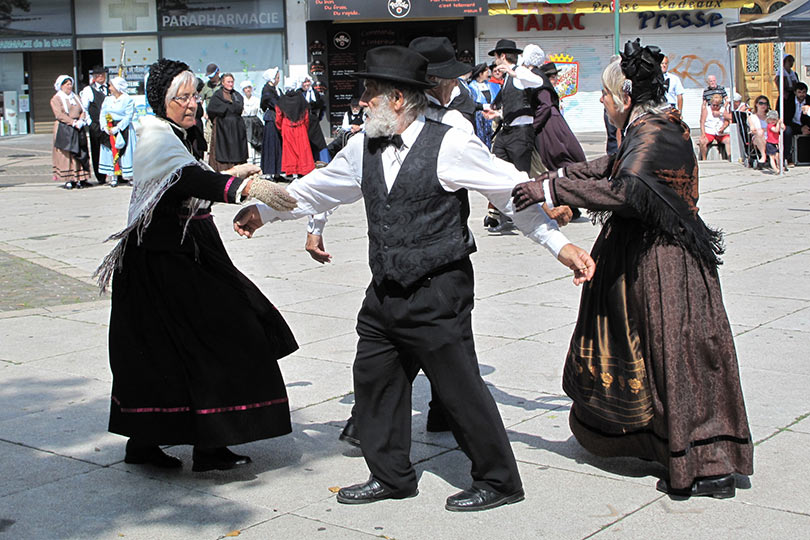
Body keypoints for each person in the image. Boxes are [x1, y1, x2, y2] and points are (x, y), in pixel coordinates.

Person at [233, 45, 595, 512]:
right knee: (373, 376)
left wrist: (559, 246)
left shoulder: (451, 142)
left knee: (458, 388)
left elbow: (509, 193)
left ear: (398, 99)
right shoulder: (362, 145)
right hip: (386, 287)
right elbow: (316, 189)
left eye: (370, 92)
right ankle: (391, 476)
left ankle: (499, 480)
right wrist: (263, 211)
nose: (362, 100)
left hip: (437, 287)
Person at [512, 39, 754, 499]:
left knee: (674, 354)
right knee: (668, 353)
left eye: (605, 94)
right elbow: (613, 165)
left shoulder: (653, 132)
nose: (601, 102)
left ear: (624, 97)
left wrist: (550, 195)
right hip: (657, 256)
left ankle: (702, 461)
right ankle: (682, 450)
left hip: (665, 262)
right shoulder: (655, 126)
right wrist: (554, 180)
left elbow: (625, 192)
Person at [94, 58, 299, 473]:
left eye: (193, 96)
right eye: (180, 97)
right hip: (161, 262)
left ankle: (208, 442)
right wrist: (242, 186)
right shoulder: (154, 135)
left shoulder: (177, 134)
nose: (191, 104)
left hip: (191, 251)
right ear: (159, 101)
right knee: (190, 344)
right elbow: (187, 179)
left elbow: (193, 173)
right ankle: (161, 442)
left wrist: (232, 172)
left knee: (207, 341)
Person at [483, 39, 534, 232]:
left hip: (521, 134)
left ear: (502, 56)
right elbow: (512, 105)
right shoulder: (506, 79)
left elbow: (534, 87)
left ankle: (524, 216)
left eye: (496, 57)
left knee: (520, 176)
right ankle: (499, 214)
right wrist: (497, 113)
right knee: (496, 170)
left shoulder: (520, 75)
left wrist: (518, 73)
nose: (495, 61)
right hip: (506, 131)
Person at [51, 75, 91, 189]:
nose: (69, 86)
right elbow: (59, 114)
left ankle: (81, 178)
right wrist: (72, 122)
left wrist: (81, 120)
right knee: (66, 154)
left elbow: (83, 110)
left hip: (77, 127)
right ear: (61, 86)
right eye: (67, 84)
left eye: (70, 84)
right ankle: (68, 179)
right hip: (64, 128)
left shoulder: (75, 97)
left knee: (80, 152)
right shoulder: (56, 99)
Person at [99, 76, 136, 186]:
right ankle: (113, 176)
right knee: (111, 151)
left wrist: (118, 128)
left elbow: (128, 116)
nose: (109, 88)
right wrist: (105, 127)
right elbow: (103, 113)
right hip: (110, 127)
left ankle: (130, 176)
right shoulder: (108, 99)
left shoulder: (127, 99)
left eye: (111, 85)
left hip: (123, 129)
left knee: (126, 152)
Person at [207, 73, 248, 172]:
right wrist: (227, 109)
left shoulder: (236, 95)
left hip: (236, 128)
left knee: (236, 150)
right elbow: (212, 109)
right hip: (222, 127)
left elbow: (238, 108)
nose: (230, 84)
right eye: (228, 82)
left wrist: (230, 108)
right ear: (223, 83)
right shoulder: (217, 96)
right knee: (223, 151)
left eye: (232, 82)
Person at [80, 65, 109, 185]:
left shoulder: (110, 88)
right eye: (97, 75)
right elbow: (84, 108)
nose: (100, 77)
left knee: (112, 149)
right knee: (97, 150)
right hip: (96, 124)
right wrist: (90, 123)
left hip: (110, 124)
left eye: (102, 75)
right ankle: (100, 177)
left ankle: (116, 174)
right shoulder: (88, 90)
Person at [275, 88, 315, 178]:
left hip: (287, 127)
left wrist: (281, 128)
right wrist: (305, 127)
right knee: (303, 150)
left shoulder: (282, 100)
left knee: (290, 151)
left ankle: (292, 172)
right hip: (300, 126)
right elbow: (306, 117)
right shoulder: (301, 99)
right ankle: (303, 170)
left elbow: (278, 117)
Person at [260, 67, 283, 178]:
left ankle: (278, 171)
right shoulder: (267, 90)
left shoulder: (276, 89)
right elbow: (273, 103)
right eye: (277, 77)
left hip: (277, 118)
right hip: (271, 118)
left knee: (278, 145)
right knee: (271, 145)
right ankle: (270, 172)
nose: (278, 79)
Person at [301, 75, 328, 163]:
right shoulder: (299, 93)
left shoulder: (315, 93)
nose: (307, 84)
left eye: (308, 82)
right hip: (302, 122)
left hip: (313, 121)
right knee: (305, 144)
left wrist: (318, 117)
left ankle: (323, 162)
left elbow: (323, 106)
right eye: (305, 82)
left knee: (319, 143)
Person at [783, 81, 810, 165]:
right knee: (787, 131)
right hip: (792, 125)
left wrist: (806, 127)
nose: (802, 95)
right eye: (799, 92)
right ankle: (787, 157)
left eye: (804, 92)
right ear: (795, 92)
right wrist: (799, 128)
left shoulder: (809, 100)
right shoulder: (788, 100)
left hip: (805, 125)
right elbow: (786, 119)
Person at [468, 62, 494, 148]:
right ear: (480, 73)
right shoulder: (472, 87)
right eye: (486, 72)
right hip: (479, 118)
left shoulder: (489, 85)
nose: (488, 74)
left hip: (490, 116)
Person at [698, 93, 731, 160]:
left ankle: (730, 157)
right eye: (714, 105)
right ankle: (704, 158)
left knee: (729, 140)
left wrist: (723, 126)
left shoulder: (722, 110)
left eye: (717, 105)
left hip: (720, 133)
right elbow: (702, 122)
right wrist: (703, 133)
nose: (715, 107)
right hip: (709, 132)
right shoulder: (707, 109)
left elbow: (728, 120)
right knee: (702, 141)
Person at [240, 79, 263, 166]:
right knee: (248, 143)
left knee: (257, 142)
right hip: (245, 123)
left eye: (249, 87)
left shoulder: (256, 100)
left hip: (255, 123)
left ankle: (257, 163)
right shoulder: (241, 100)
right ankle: (249, 162)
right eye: (246, 88)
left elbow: (261, 111)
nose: (248, 90)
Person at [200, 63, 221, 148]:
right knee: (210, 141)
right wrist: (204, 113)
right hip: (210, 118)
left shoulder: (224, 85)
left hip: (222, 117)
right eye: (209, 76)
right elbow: (200, 101)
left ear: (218, 72)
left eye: (212, 76)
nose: (210, 78)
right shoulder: (205, 86)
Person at [747, 95, 771, 169]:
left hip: (770, 137)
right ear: (757, 104)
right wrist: (763, 130)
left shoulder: (770, 117)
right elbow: (753, 129)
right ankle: (764, 155)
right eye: (761, 103)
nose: (763, 105)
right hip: (758, 137)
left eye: (765, 103)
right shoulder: (752, 117)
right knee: (759, 132)